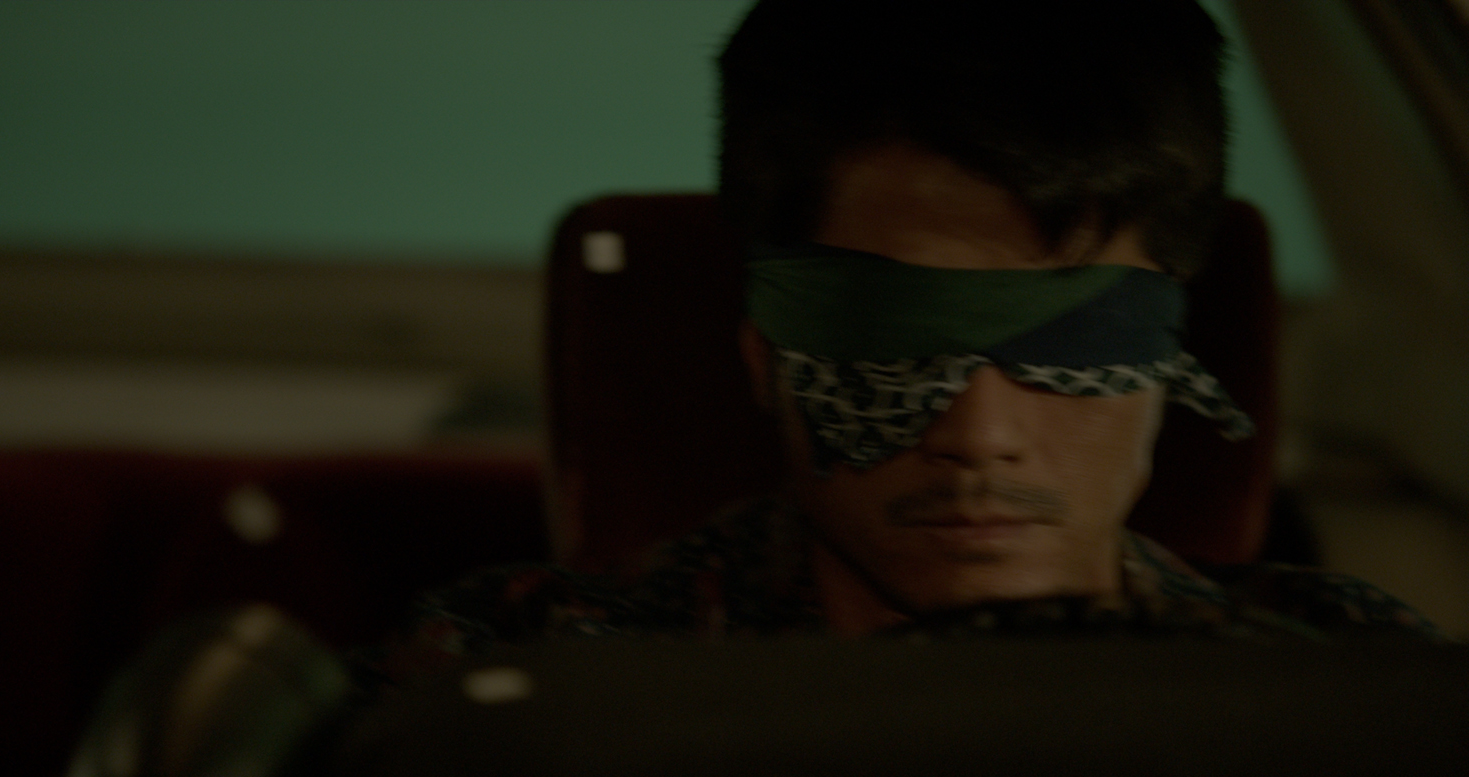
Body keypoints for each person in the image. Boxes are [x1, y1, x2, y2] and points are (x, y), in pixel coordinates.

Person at [379, 0, 1440, 677]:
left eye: (1075, 337)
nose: (981, 436)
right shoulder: (523, 682)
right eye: (890, 340)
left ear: (1168, 356)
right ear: (764, 355)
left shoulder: (1350, 687)